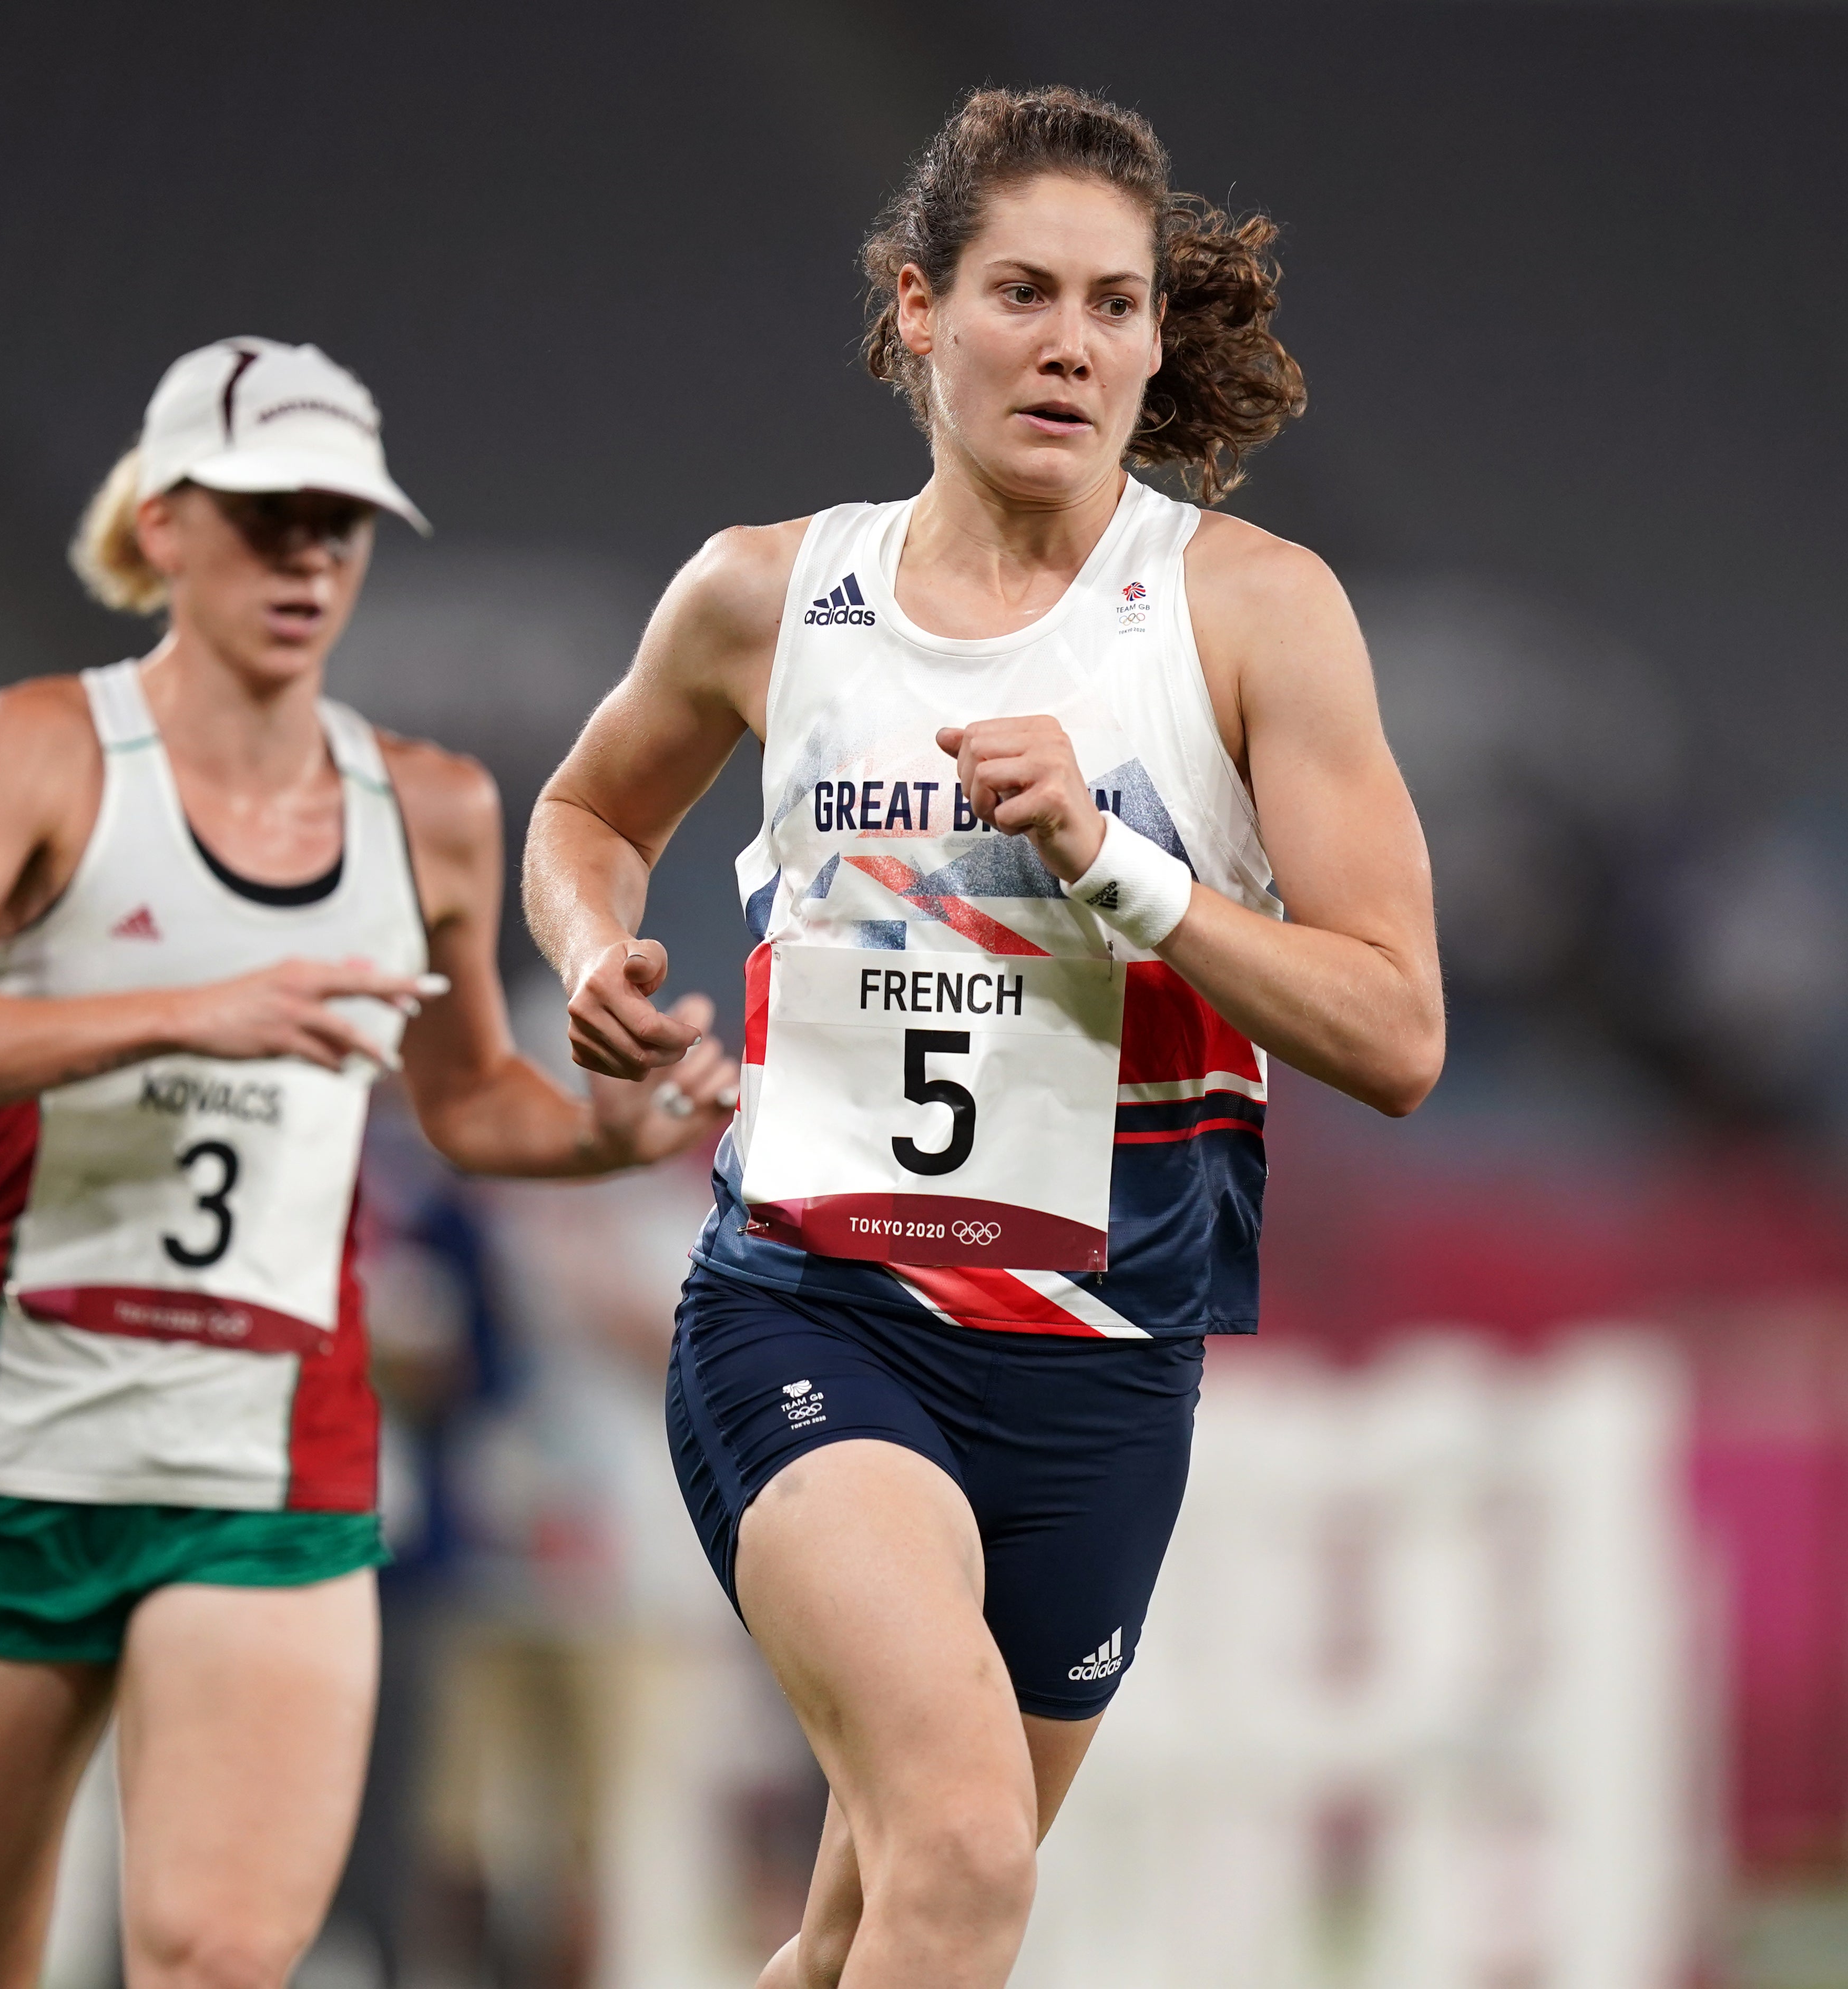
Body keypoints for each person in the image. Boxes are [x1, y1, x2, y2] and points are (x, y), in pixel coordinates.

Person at [523, 86, 1445, 1988]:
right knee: (957, 1856)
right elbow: (584, 816)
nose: (1074, 343)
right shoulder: (767, 595)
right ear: (917, 309)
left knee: (874, 1920)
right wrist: (589, 947)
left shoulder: (1252, 615)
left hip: (1107, 1363)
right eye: (1024, 292)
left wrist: (1123, 864)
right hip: (815, 1307)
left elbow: (1399, 1026)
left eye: (1116, 304)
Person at [0, 337, 737, 1989]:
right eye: (266, 518)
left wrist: (611, 1134)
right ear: (162, 529)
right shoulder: (37, 753)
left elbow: (469, 1108)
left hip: (272, 1452)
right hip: (16, 1429)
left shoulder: (431, 810)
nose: (309, 558)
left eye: (341, 523)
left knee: (225, 1954)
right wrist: (182, 1016)